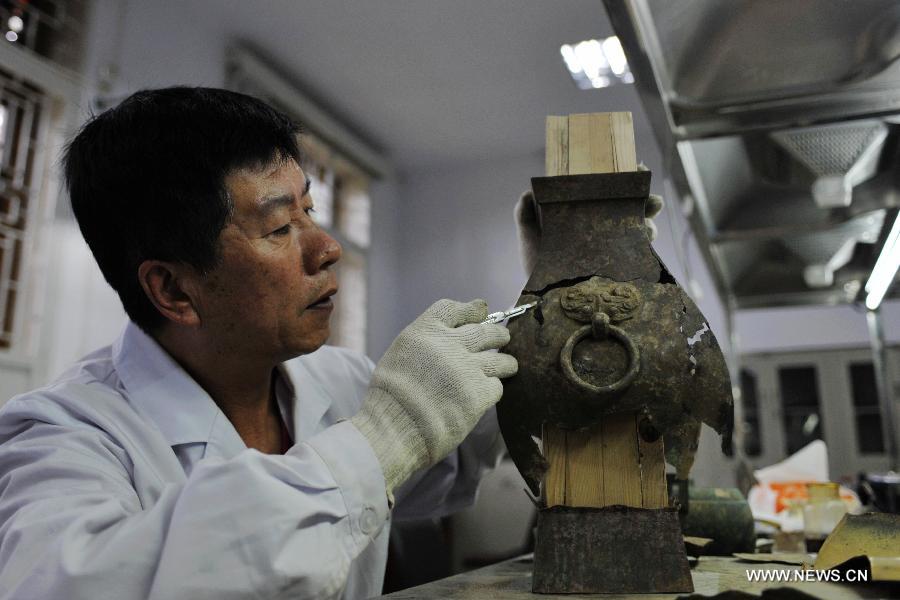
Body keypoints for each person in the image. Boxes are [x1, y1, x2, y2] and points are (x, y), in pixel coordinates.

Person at [0, 87, 518, 599]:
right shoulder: (60, 437)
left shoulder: (340, 380)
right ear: (175, 289)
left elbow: (456, 449)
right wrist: (381, 439)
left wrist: (547, 305)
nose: (327, 248)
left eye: (309, 210)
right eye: (277, 227)